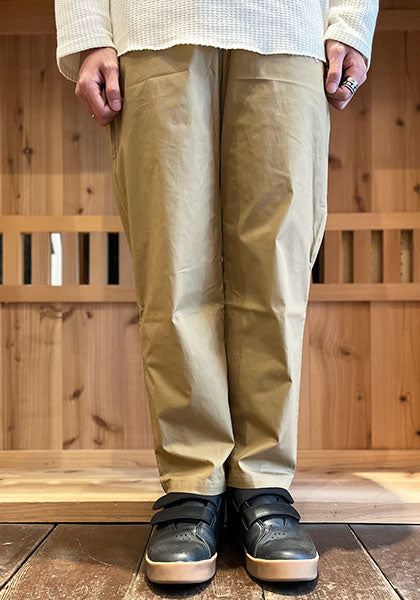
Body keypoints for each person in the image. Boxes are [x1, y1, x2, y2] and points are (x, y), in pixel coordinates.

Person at [54, 0, 379, 586]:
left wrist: (352, 21)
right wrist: (87, 30)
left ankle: (263, 481)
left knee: (276, 269)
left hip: (288, 25)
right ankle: (191, 483)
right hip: (152, 24)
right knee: (173, 266)